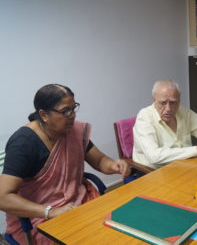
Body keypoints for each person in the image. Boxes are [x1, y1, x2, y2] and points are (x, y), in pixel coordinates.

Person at [0, 84, 131, 244]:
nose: (72, 116)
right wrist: (51, 211)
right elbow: (3, 197)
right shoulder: (23, 143)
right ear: (44, 115)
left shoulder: (73, 130)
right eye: (65, 111)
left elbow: (99, 160)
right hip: (40, 217)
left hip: (80, 201)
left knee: (119, 229)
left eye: (73, 108)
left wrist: (113, 165)